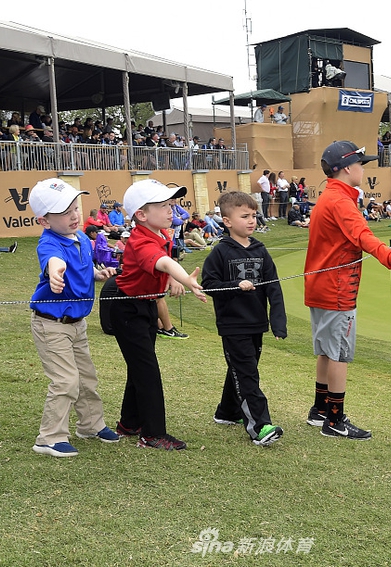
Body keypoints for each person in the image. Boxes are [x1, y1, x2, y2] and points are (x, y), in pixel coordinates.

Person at [304, 140, 391, 440]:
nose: (363, 168)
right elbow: (363, 237)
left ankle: (320, 410)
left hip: (320, 286)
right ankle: (334, 419)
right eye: (360, 163)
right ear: (345, 168)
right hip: (337, 289)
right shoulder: (341, 201)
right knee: (339, 354)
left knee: (326, 351)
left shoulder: (331, 197)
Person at [106, 179, 206, 450]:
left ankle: (129, 422)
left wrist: (172, 280)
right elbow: (161, 261)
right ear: (141, 215)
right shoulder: (141, 240)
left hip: (145, 307)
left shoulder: (161, 235)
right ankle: (152, 434)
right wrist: (184, 278)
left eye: (170, 204)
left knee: (140, 367)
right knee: (148, 371)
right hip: (128, 309)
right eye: (163, 206)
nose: (170, 209)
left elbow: (161, 266)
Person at [26, 178, 119, 458]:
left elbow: (82, 267)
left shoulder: (81, 238)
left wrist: (96, 274)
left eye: (75, 208)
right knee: (65, 381)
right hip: (51, 325)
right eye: (65, 212)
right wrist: (55, 272)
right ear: (44, 221)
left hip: (78, 323)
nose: (74, 215)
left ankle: (90, 425)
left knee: (87, 377)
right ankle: (49, 438)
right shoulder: (49, 244)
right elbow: (55, 262)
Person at [201, 191, 287, 446]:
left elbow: (274, 287)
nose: (251, 220)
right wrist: (236, 285)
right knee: (248, 374)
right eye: (244, 216)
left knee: (241, 369)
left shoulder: (261, 250)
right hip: (232, 325)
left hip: (256, 323)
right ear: (227, 221)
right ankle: (260, 427)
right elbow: (209, 285)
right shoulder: (220, 252)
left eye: (253, 215)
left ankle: (227, 412)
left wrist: (278, 322)